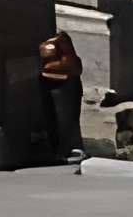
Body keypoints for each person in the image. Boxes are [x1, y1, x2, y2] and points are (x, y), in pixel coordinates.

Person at [37, 27, 84, 164]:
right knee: (57, 118)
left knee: (65, 117)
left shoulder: (59, 42)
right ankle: (62, 149)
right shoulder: (56, 42)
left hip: (63, 82)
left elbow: (71, 65)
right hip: (56, 82)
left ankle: (68, 148)